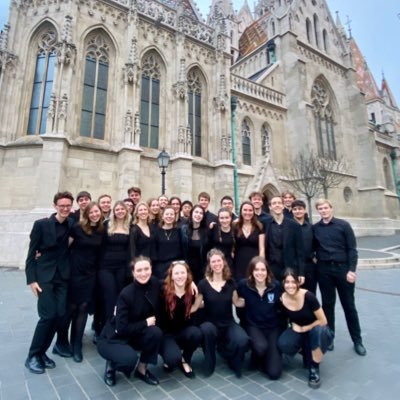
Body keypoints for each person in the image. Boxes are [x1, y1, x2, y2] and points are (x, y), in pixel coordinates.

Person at [25, 191, 75, 374]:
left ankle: (42, 352)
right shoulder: (41, 225)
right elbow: (31, 254)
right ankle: (32, 355)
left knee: (60, 315)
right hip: (44, 277)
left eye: (68, 205)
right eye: (61, 205)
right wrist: (31, 280)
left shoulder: (72, 224)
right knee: (47, 316)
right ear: (55, 205)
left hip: (62, 277)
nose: (65, 208)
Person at [97, 257, 163, 387]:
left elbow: (171, 281)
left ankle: (142, 370)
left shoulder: (154, 283)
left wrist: (191, 283)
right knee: (129, 360)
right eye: (139, 270)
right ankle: (111, 365)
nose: (143, 273)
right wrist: (145, 323)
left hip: (134, 333)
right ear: (133, 273)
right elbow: (121, 329)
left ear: (151, 269)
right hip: (113, 338)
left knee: (156, 333)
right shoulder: (126, 294)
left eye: (146, 269)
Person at [313, 199, 366, 356]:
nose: (323, 211)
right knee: (327, 305)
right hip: (324, 270)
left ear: (331, 208)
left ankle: (357, 341)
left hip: (343, 270)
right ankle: (330, 338)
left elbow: (352, 249)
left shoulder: (343, 225)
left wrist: (351, 270)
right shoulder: (315, 228)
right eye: (320, 209)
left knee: (349, 306)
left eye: (325, 208)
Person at [58, 202, 104, 363]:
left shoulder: (101, 230)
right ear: (86, 214)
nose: (94, 214)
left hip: (90, 273)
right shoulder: (77, 228)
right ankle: (61, 341)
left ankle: (76, 344)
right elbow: (64, 248)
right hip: (75, 271)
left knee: (83, 307)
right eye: (91, 212)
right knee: (70, 307)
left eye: (96, 211)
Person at [192, 249, 249, 377]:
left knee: (242, 340)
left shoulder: (231, 282)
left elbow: (237, 302)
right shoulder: (203, 284)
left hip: (228, 323)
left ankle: (231, 358)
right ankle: (209, 362)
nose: (216, 264)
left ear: (223, 262)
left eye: (219, 260)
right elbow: (196, 306)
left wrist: (254, 299)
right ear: (209, 265)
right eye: (213, 261)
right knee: (207, 329)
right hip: (210, 323)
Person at [278, 269, 333, 389]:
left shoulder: (308, 296)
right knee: (283, 343)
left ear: (298, 283)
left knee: (318, 331)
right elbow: (285, 317)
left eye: (293, 281)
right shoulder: (282, 298)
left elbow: (323, 321)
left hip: (317, 329)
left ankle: (314, 368)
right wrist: (293, 325)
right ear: (283, 283)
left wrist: (304, 328)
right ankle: (305, 350)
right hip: (300, 331)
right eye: (287, 282)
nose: (290, 285)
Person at [237, 257, 282, 380]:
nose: (260, 273)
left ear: (267, 271)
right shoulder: (243, 285)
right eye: (256, 269)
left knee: (274, 373)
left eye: (263, 269)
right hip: (253, 326)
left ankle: (267, 356)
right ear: (251, 271)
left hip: (273, 328)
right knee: (261, 347)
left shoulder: (276, 286)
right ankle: (258, 354)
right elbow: (230, 293)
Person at [159, 261, 202, 378]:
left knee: (196, 333)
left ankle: (185, 360)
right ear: (171, 276)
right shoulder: (163, 290)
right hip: (167, 334)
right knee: (172, 360)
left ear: (187, 274)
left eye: (182, 272)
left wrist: (192, 282)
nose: (179, 276)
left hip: (183, 331)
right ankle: (170, 355)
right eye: (176, 273)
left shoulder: (192, 291)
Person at [98, 201, 131, 324]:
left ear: (126, 211)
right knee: (110, 297)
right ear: (114, 211)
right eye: (117, 209)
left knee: (120, 297)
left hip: (122, 267)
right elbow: (99, 244)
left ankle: (119, 325)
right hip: (106, 267)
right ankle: (108, 326)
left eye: (122, 209)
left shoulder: (130, 226)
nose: (120, 211)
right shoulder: (107, 225)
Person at [264, 196, 305, 282]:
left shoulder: (294, 225)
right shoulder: (265, 224)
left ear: (283, 206)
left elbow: (300, 251)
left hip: (289, 267)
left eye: (279, 203)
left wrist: (301, 272)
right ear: (270, 207)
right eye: (274, 203)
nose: (277, 205)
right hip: (271, 267)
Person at [233, 201, 265, 281]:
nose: (248, 212)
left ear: (253, 212)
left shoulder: (259, 226)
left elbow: (262, 248)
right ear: (241, 211)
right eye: (245, 210)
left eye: (250, 210)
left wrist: (261, 263)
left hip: (254, 261)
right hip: (238, 262)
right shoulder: (235, 226)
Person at [292, 199, 317, 294]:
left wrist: (314, 258)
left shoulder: (310, 227)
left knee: (310, 294)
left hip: (309, 266)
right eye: (295, 209)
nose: (297, 211)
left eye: (300, 209)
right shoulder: (288, 226)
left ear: (304, 210)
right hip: (294, 266)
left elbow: (315, 245)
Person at [181, 204, 210, 283]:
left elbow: (209, 250)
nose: (198, 215)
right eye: (196, 212)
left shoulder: (207, 231)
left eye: (201, 213)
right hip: (187, 268)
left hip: (202, 269)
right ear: (191, 214)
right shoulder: (183, 230)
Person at [152, 206, 183, 280]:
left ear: (175, 217)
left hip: (175, 267)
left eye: (171, 214)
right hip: (160, 268)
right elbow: (154, 251)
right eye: (167, 214)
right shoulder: (156, 232)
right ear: (162, 217)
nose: (169, 216)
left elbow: (182, 250)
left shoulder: (179, 232)